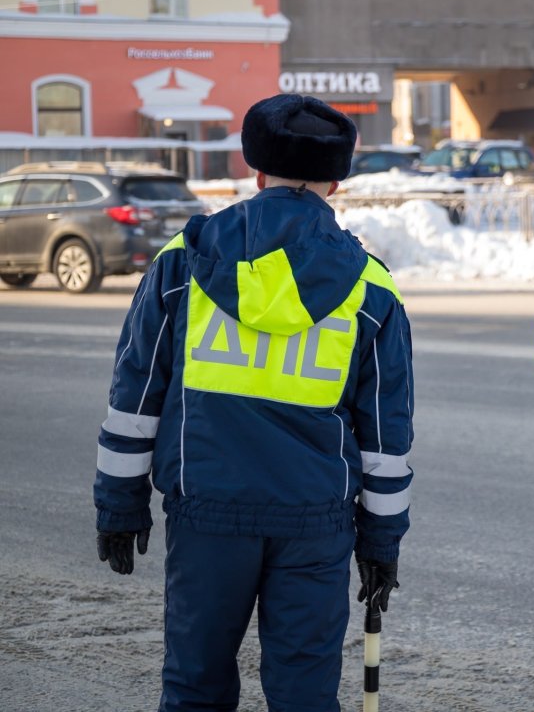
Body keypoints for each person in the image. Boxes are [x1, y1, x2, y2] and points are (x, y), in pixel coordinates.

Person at [93, 94, 415, 711]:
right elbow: (385, 435)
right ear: (337, 182)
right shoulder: (373, 288)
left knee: (195, 688)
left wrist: (119, 501)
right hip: (316, 523)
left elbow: (135, 395)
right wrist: (381, 540)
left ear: (256, 170)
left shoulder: (181, 265)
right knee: (304, 695)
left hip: (206, 513)